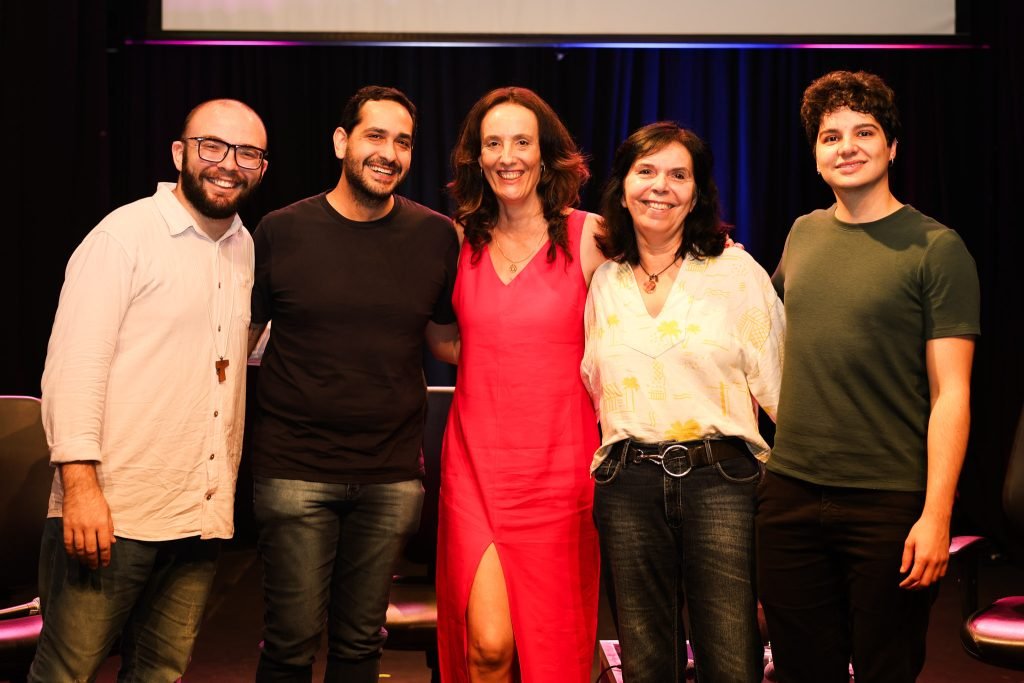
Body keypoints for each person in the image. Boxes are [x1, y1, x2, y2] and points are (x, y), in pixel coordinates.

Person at [29, 99, 268, 682]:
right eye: (212, 146)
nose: (228, 164)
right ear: (180, 152)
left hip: (197, 509)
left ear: (262, 167)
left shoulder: (245, 247)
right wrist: (80, 488)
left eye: (247, 153)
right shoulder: (123, 237)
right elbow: (72, 369)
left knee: (160, 673)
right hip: (113, 511)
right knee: (67, 672)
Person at [756, 70, 981, 683]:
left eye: (864, 132)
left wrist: (937, 514)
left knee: (887, 668)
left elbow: (952, 393)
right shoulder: (802, 234)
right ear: (816, 154)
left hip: (888, 501)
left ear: (892, 148)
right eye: (831, 136)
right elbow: (759, 347)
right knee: (802, 670)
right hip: (791, 494)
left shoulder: (937, 248)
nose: (847, 146)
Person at [248, 85, 459, 683]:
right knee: (289, 645)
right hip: (293, 469)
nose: (388, 152)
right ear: (342, 142)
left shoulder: (435, 236)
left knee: (362, 645)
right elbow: (238, 342)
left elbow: (446, 342)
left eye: (403, 142)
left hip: (391, 475)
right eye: (375, 135)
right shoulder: (281, 230)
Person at [581, 121, 785, 683]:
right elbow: (596, 390)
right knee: (646, 663)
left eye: (678, 174)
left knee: (731, 657)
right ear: (622, 185)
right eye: (645, 171)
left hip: (721, 479)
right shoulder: (606, 281)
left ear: (697, 191)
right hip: (627, 485)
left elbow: (780, 390)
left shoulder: (735, 272)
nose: (660, 186)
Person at [436, 86, 605, 683]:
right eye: (493, 143)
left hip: (561, 472)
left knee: (554, 650)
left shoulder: (590, 237)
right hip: (476, 468)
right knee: (487, 646)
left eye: (522, 142)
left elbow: (650, 305)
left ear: (546, 153)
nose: (508, 155)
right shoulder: (458, 241)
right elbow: (440, 337)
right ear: (477, 158)